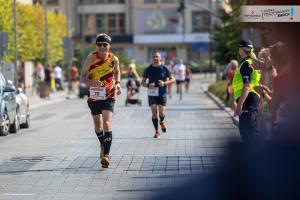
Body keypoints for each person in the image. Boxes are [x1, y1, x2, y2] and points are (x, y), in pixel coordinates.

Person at [80, 33, 121, 168]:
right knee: (98, 126)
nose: (102, 47)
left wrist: (118, 83)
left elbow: (117, 72)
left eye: (105, 44)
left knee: (107, 124)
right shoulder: (90, 58)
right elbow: (83, 77)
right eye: (99, 45)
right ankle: (102, 144)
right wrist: (91, 82)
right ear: (96, 46)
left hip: (109, 94)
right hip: (94, 96)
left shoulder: (113, 59)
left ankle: (106, 156)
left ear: (109, 46)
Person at [232, 40, 261, 144]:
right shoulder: (253, 62)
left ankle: (253, 157)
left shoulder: (246, 64)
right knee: (251, 129)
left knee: (247, 131)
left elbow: (246, 86)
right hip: (251, 99)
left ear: (241, 50)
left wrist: (239, 105)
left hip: (247, 99)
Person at [141, 50, 175, 138]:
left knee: (162, 112)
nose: (155, 58)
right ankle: (156, 131)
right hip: (152, 93)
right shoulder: (148, 69)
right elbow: (142, 82)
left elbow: (173, 79)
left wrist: (164, 83)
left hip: (162, 93)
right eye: (154, 57)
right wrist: (149, 85)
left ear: (160, 58)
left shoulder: (165, 68)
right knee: (154, 112)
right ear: (152, 58)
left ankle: (162, 121)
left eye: (157, 56)